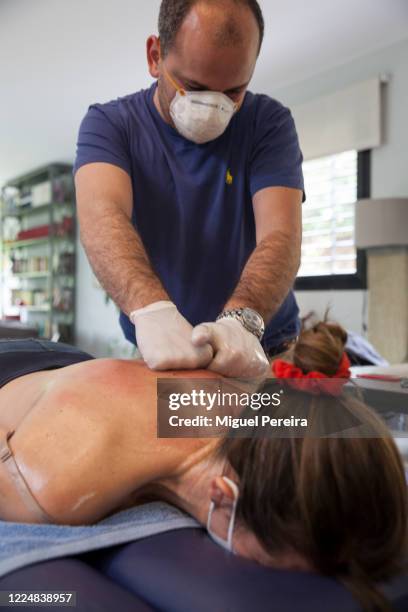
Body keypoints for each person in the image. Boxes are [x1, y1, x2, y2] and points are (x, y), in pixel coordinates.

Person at [0, 322, 407, 612]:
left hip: (76, 373)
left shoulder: (284, 404)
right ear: (223, 497)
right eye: (269, 562)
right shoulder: (56, 484)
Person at [73, 0, 305, 377]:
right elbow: (103, 217)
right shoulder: (110, 125)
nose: (212, 108)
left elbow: (280, 235)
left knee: (273, 434)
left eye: (233, 91)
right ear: (155, 56)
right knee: (170, 434)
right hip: (162, 345)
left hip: (265, 344)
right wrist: (151, 310)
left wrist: (242, 320)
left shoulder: (269, 124)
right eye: (194, 87)